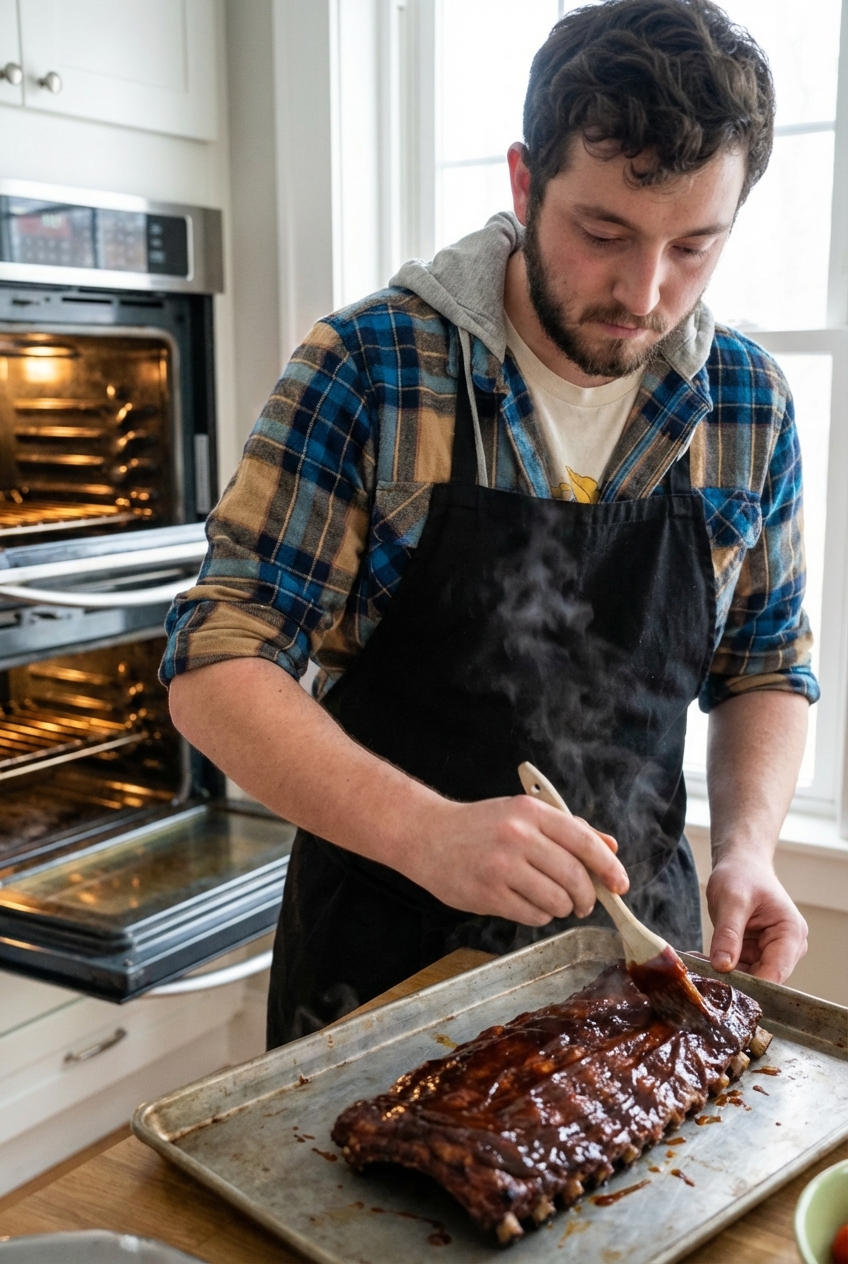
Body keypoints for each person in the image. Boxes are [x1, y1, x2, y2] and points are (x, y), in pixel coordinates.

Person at [163, 0, 818, 1047]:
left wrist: (746, 848)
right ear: (522, 184)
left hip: (637, 966)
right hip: (379, 975)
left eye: (693, 246)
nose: (643, 293)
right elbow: (216, 664)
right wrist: (428, 832)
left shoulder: (745, 403)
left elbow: (763, 669)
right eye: (601, 232)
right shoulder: (370, 370)